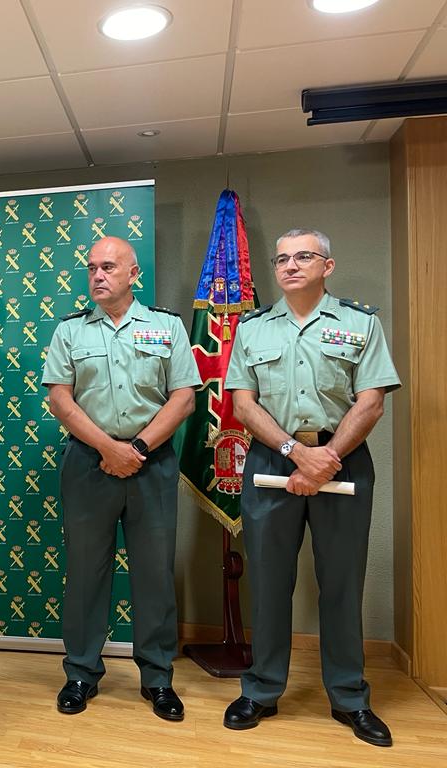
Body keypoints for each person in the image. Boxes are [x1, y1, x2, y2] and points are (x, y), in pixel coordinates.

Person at [223, 229, 400, 747]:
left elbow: (370, 402)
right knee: (271, 583)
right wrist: (296, 454)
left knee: (342, 585)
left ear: (328, 265)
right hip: (272, 462)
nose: (290, 265)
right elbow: (244, 403)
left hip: (341, 461)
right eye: (282, 258)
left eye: (304, 256)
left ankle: (349, 698)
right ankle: (261, 690)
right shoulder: (253, 327)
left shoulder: (360, 323)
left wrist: (326, 459)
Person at [41, 236, 200, 720]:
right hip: (89, 463)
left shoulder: (166, 326)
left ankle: (157, 678)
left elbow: (184, 397)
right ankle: (81, 674)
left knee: (154, 574)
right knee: (87, 572)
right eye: (91, 268)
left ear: (134, 274)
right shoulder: (70, 332)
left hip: (150, 464)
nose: (97, 276)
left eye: (108, 267)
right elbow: (60, 399)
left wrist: (137, 448)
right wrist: (109, 449)